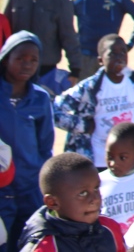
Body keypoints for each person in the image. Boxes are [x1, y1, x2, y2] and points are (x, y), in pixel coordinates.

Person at [53, 35, 134, 169]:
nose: (119, 57)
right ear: (100, 60)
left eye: (123, 52)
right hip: (98, 159)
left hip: (132, 157)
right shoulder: (90, 88)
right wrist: (82, 125)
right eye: (112, 54)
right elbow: (54, 109)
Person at [0, 32, 54, 247]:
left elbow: (45, 147)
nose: (27, 64)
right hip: (1, 188)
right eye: (20, 58)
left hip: (30, 189)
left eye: (33, 59)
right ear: (6, 59)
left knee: (31, 244)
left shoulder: (40, 98)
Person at [17, 153, 127, 252]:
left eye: (96, 188)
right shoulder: (44, 247)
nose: (95, 199)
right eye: (82, 194)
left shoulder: (110, 228)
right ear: (52, 203)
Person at [3, 0, 81, 89]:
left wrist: (75, 69)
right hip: (16, 72)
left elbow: (68, 37)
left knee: (44, 107)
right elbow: (4, 35)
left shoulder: (59, 2)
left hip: (46, 72)